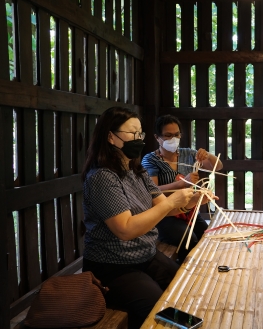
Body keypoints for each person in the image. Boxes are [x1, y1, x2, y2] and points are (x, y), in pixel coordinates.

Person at [81, 107, 214, 328]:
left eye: (140, 133)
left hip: (146, 255)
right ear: (109, 136)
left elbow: (167, 209)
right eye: (132, 133)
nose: (138, 139)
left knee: (187, 288)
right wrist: (173, 200)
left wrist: (196, 199)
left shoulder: (136, 171)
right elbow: (125, 229)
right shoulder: (102, 177)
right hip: (113, 266)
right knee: (159, 311)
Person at [142, 114, 223, 263]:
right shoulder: (150, 159)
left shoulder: (188, 153)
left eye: (177, 134)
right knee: (189, 239)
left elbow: (217, 167)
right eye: (168, 135)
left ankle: (201, 269)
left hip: (188, 209)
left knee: (206, 236)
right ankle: (183, 273)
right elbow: (152, 190)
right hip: (164, 214)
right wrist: (181, 183)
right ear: (157, 137)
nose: (173, 139)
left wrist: (208, 155)